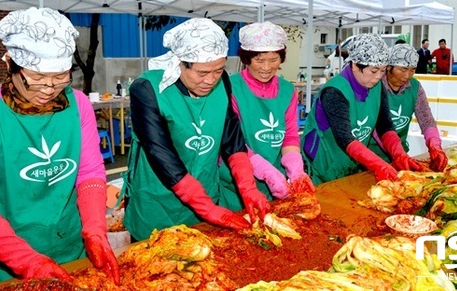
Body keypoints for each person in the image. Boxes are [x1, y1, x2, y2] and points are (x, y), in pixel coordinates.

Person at [0, 8, 119, 286]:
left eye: (60, 78)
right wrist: (27, 260)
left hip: (71, 246)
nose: (49, 88)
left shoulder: (78, 105)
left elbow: (89, 171)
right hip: (9, 257)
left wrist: (94, 229)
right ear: (10, 65)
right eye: (37, 78)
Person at [122, 18, 270, 241]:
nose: (210, 80)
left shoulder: (223, 82)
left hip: (206, 196)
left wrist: (248, 189)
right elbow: (159, 152)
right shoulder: (147, 89)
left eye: (218, 71)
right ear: (181, 63)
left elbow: (231, 137)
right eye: (202, 73)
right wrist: (207, 208)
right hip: (158, 205)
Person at [301, 34, 423, 185]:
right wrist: (378, 164)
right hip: (326, 163)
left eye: (383, 70)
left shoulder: (377, 87)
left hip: (353, 164)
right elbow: (345, 138)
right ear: (355, 65)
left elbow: (384, 126)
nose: (379, 76)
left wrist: (399, 153)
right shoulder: (334, 91)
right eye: (374, 71)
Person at [218, 21, 314, 205]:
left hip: (277, 183)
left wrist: (295, 170)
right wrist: (265, 171)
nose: (266, 67)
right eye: (259, 60)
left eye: (274, 59)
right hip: (237, 186)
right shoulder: (231, 88)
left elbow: (290, 137)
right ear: (246, 59)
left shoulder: (287, 90)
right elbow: (231, 141)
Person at [368, 44, 448, 172]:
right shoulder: (374, 86)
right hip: (372, 156)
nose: (407, 76)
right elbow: (376, 128)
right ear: (389, 67)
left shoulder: (414, 87)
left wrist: (435, 146)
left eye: (412, 70)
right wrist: (397, 153)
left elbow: (426, 120)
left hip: (400, 155)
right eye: (403, 69)